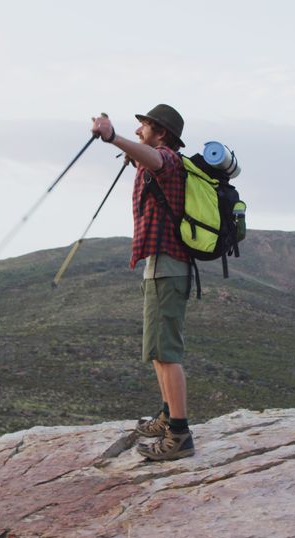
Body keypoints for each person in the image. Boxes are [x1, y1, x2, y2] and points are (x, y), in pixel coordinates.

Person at [91, 104, 194, 461]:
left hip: (169, 265)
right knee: (156, 350)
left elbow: (158, 161)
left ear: (161, 132)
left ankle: (179, 434)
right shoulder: (155, 161)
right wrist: (128, 151)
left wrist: (111, 136)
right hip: (159, 265)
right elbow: (145, 160)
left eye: (144, 126)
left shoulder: (169, 161)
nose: (138, 132)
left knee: (167, 352)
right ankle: (168, 416)